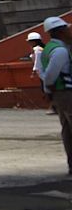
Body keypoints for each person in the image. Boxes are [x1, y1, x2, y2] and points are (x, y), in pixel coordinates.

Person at [39, 16, 72, 175]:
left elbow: (43, 72)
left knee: (67, 130)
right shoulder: (60, 51)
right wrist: (50, 89)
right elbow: (51, 75)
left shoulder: (48, 49)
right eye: (66, 29)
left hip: (60, 94)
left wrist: (49, 92)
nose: (69, 32)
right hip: (66, 93)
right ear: (59, 32)